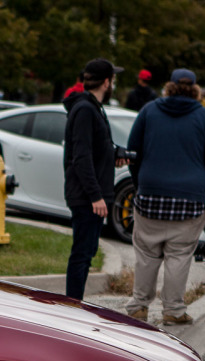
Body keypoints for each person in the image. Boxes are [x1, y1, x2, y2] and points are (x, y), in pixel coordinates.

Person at [124, 68, 205, 325]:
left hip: (150, 195)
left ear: (169, 86)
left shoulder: (148, 111)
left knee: (146, 254)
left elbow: (132, 153)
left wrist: (141, 184)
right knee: (179, 256)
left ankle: (138, 307)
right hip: (189, 200)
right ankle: (174, 310)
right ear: (195, 89)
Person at [62, 58, 123, 301]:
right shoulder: (85, 109)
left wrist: (113, 154)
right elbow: (81, 157)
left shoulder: (93, 107)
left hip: (91, 193)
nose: (114, 84)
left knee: (87, 251)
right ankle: (72, 307)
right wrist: (96, 196)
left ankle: (74, 305)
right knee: (82, 254)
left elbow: (94, 148)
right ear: (106, 82)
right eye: (113, 80)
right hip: (86, 196)